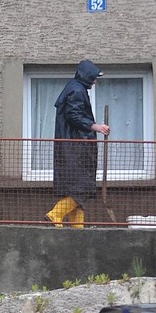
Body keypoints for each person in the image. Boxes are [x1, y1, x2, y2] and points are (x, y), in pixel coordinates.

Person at [47, 60, 109, 228]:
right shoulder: (76, 90)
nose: (95, 82)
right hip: (76, 147)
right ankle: (55, 214)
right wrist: (96, 127)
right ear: (87, 76)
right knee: (82, 187)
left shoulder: (75, 88)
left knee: (76, 189)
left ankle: (77, 229)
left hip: (72, 146)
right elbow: (73, 115)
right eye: (94, 78)